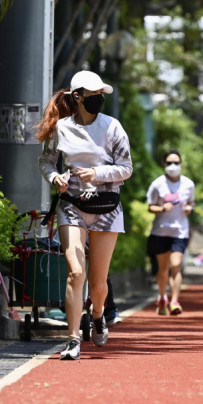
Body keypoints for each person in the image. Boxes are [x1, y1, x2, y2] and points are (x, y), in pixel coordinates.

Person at [36, 70, 132, 360]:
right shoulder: (61, 128)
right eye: (92, 96)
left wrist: (98, 173)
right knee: (75, 272)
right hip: (72, 205)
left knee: (99, 281)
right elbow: (46, 161)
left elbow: (126, 168)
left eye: (100, 95)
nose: (98, 100)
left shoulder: (112, 127)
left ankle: (99, 314)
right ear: (77, 97)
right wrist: (55, 178)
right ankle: (73, 339)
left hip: (106, 207)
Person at [146, 149, 195, 316]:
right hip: (160, 232)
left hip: (180, 231)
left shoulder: (188, 184)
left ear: (181, 165)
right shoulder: (157, 184)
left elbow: (191, 202)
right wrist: (161, 208)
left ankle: (174, 301)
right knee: (163, 268)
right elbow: (150, 206)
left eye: (176, 163)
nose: (173, 166)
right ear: (164, 165)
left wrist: (189, 208)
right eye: (169, 163)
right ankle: (162, 297)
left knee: (176, 265)